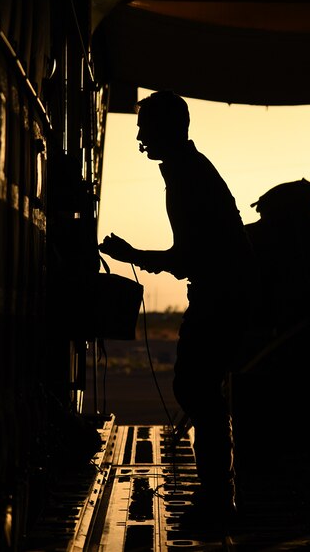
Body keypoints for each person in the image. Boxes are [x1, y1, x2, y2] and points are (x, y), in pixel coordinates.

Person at [99, 90, 255, 528]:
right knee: (200, 390)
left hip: (221, 296)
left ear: (169, 128)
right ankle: (219, 494)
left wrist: (131, 253)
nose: (139, 137)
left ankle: (218, 498)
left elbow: (187, 258)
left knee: (197, 389)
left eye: (144, 127)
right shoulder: (188, 171)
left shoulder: (188, 177)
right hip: (225, 293)